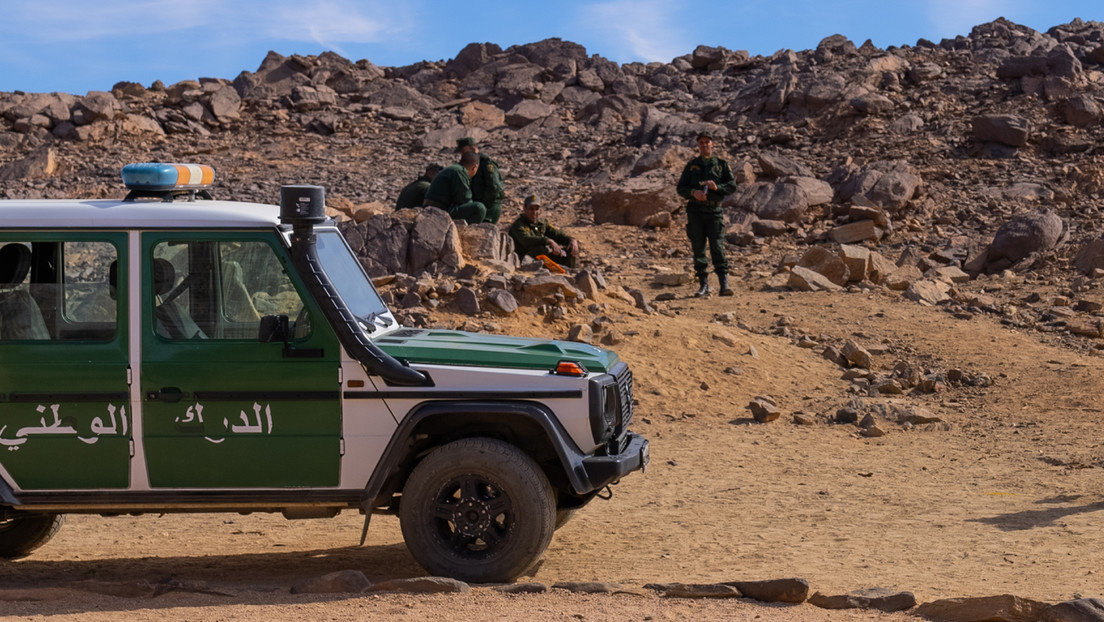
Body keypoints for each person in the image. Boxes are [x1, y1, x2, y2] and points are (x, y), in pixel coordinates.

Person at [676, 131, 737, 297]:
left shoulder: (722, 165)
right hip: (695, 211)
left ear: (712, 144)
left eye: (707, 142)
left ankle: (724, 285)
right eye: (701, 142)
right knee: (698, 247)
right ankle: (703, 286)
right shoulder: (692, 165)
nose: (704, 145)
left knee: (717, 246)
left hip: (714, 210)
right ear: (698, 145)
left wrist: (717, 187)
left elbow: (732, 186)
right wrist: (693, 193)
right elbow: (681, 188)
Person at [508, 194, 578, 270]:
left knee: (571, 248)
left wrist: (571, 240)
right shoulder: (518, 225)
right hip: (524, 259)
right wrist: (548, 241)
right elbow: (526, 240)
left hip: (541, 257)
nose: (534, 212)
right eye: (531, 209)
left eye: (537, 209)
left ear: (540, 210)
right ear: (525, 209)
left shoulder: (542, 223)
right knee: (541, 249)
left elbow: (556, 234)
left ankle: (571, 273)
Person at [422, 151, 487, 224]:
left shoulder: (454, 169)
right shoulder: (459, 172)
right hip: (439, 211)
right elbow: (464, 199)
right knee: (479, 208)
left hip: (433, 209)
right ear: (475, 167)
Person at [456, 137, 505, 223]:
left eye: (463, 151)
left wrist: (483, 205)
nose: (461, 154)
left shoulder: (486, 163)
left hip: (489, 208)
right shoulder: (467, 163)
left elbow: (494, 187)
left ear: (472, 149)